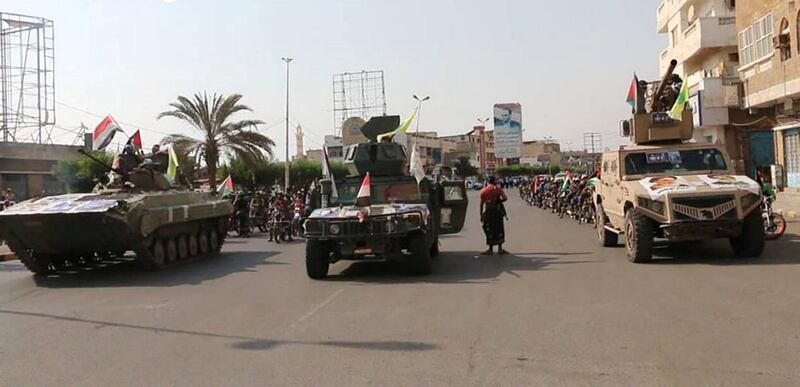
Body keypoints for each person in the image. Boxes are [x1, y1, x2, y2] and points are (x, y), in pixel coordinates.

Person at [479, 175, 508, 255]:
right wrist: (498, 202)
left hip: (488, 212)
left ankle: (490, 249)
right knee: (499, 228)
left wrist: (481, 215)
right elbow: (505, 198)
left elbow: (481, 205)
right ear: (494, 181)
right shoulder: (498, 189)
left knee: (489, 229)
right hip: (497, 212)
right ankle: (500, 249)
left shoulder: (483, 190)